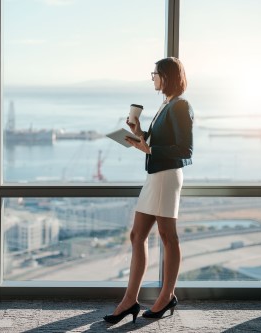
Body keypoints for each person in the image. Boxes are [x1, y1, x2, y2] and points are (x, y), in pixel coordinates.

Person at [103, 57, 194, 324]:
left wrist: (149, 148)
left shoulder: (181, 105)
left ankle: (167, 297)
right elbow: (157, 142)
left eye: (154, 73)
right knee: (137, 235)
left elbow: (185, 150)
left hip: (166, 176)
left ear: (166, 76)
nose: (152, 77)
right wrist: (139, 133)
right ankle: (129, 300)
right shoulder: (166, 105)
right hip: (155, 176)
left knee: (168, 237)